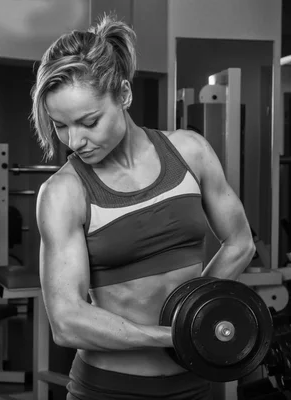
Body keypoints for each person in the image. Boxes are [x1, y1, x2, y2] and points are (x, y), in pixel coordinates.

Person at [32, 12, 255, 400]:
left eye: (89, 121)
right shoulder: (63, 193)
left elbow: (240, 242)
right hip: (108, 390)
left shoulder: (190, 152)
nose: (74, 141)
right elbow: (66, 321)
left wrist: (198, 308)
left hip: (197, 382)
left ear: (123, 94)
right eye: (61, 126)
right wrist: (177, 334)